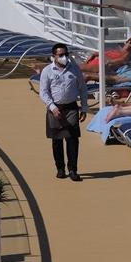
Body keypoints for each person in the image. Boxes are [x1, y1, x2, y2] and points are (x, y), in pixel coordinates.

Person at [39, 43, 89, 181]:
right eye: (61, 55)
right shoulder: (47, 71)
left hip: (71, 108)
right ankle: (60, 168)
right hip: (55, 108)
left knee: (72, 139)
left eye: (66, 54)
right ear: (54, 56)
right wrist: (52, 107)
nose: (64, 57)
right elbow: (43, 92)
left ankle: (73, 169)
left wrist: (84, 108)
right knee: (57, 140)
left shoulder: (74, 70)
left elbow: (83, 89)